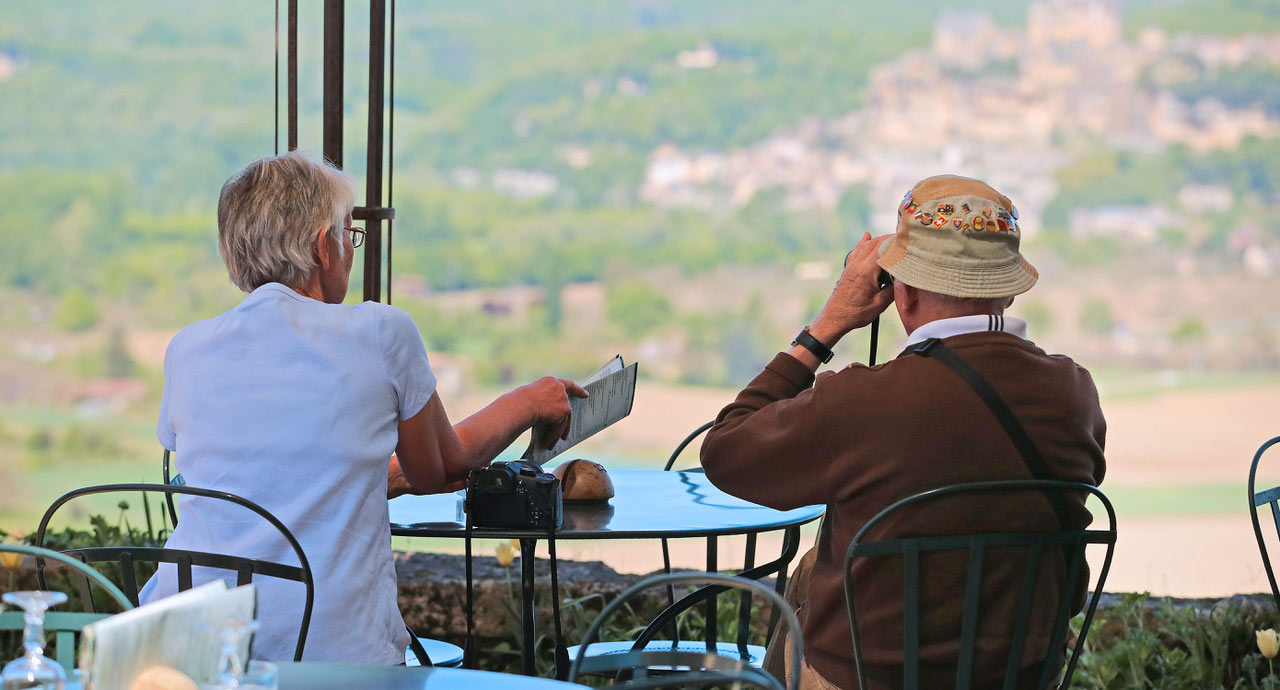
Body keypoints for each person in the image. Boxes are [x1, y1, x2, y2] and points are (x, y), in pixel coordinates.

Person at [140, 151, 588, 664]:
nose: (351, 250)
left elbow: (240, 471)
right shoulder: (379, 332)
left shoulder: (188, 347)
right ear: (321, 248)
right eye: (349, 235)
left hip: (189, 646)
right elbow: (438, 469)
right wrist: (529, 400)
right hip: (327, 648)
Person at [700, 175, 1106, 689]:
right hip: (1020, 678)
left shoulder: (861, 401)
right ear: (1005, 289)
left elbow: (725, 453)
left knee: (813, 582)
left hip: (868, 681)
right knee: (813, 567)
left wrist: (825, 327)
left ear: (903, 292)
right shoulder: (1075, 394)